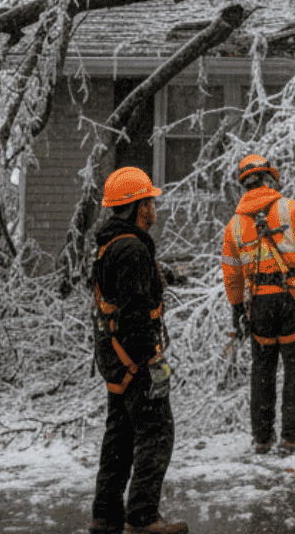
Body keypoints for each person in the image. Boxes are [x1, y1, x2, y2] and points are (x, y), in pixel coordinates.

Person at [89, 167, 187, 534]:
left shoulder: (113, 244)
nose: (154, 208)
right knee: (157, 431)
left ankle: (106, 515)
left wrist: (163, 275)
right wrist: (152, 361)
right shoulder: (131, 250)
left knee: (120, 434)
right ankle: (143, 517)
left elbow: (124, 294)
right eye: (149, 201)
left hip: (114, 358)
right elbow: (134, 313)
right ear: (135, 206)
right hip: (134, 356)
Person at [221, 152, 295, 456]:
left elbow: (231, 274)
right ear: (270, 178)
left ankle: (262, 439)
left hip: (259, 304)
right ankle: (292, 439)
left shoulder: (235, 226)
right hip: (292, 298)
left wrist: (238, 309)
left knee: (262, 370)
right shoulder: (289, 209)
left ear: (244, 185)